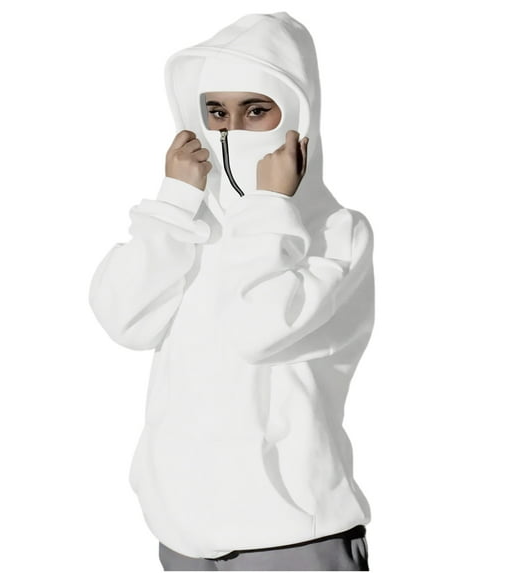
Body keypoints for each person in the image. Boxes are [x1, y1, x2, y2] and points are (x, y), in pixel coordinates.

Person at [88, 11, 374, 572]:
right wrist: (174, 203)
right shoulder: (191, 225)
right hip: (183, 537)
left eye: (256, 110)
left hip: (292, 539)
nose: (231, 130)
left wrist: (269, 206)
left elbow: (257, 330)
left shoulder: (338, 232)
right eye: (216, 111)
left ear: (297, 114)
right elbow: (124, 320)